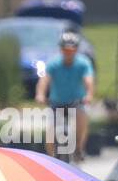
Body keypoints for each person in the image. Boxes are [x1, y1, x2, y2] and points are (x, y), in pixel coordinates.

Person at [35, 30, 94, 160]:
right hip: (56, 103)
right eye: (65, 50)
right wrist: (40, 94)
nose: (68, 53)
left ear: (76, 50)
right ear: (61, 49)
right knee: (50, 132)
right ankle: (51, 159)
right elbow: (44, 80)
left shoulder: (83, 63)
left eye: (71, 50)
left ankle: (78, 148)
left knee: (82, 118)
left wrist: (89, 95)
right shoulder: (53, 63)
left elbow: (88, 81)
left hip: (76, 102)